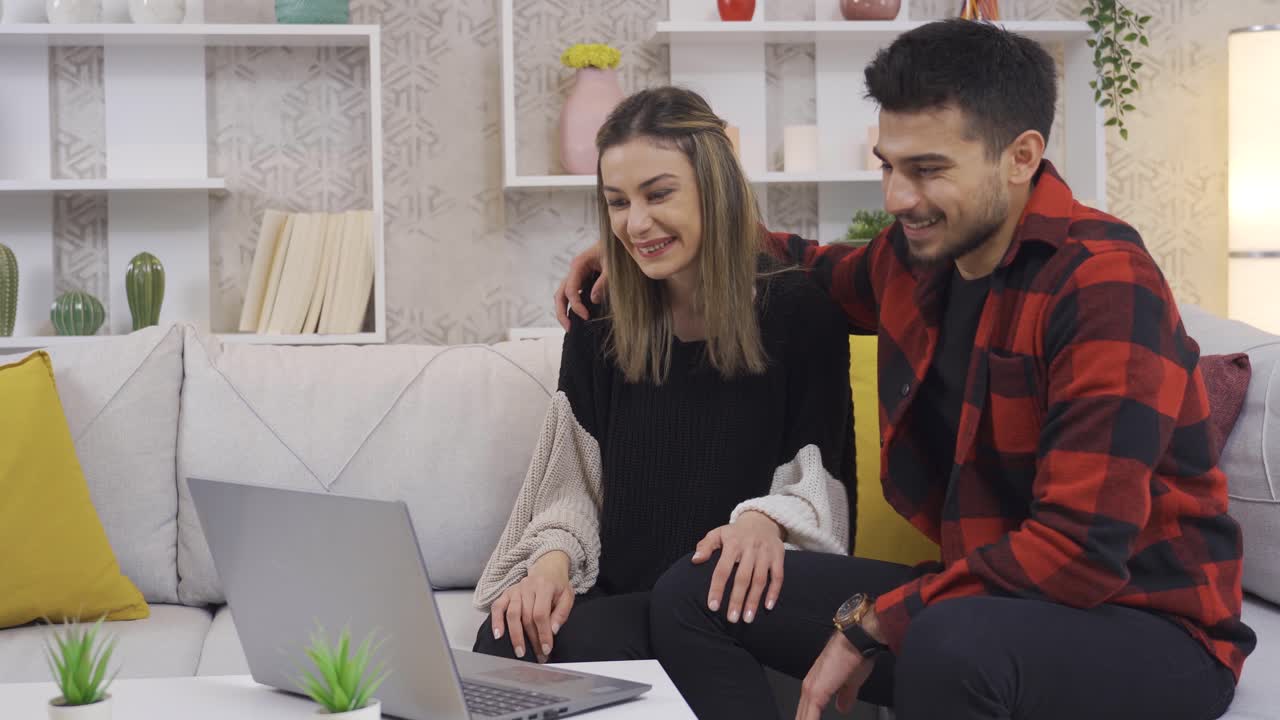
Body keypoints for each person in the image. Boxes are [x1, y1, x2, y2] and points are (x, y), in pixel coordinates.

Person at [554, 20, 1254, 720]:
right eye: (889, 165)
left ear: (1021, 156)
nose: (895, 197)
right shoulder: (916, 258)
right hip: (982, 597)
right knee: (698, 591)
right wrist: (639, 239)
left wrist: (875, 623)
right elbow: (807, 267)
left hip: (1148, 626)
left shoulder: (1103, 283)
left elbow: (1079, 555)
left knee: (947, 642)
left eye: (928, 170)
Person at [472, 85, 857, 667]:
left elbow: (820, 471)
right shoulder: (598, 319)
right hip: (625, 595)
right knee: (507, 636)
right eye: (618, 202)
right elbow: (570, 482)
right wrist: (549, 562)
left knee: (631, 633)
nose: (636, 223)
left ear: (714, 187)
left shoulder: (800, 312)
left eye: (659, 194)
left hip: (741, 599)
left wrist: (765, 519)